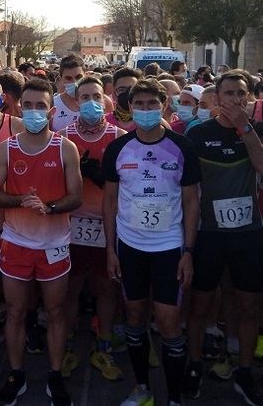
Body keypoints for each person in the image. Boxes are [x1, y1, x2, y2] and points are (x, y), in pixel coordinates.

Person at [102, 78, 200, 406]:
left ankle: (173, 398)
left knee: (169, 323)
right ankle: (142, 388)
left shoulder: (182, 147)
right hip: (130, 247)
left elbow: (191, 203)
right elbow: (110, 202)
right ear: (130, 108)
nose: (145, 110)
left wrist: (188, 251)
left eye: (152, 104)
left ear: (164, 106)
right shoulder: (118, 148)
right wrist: (110, 250)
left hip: (169, 248)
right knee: (134, 317)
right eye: (139, 105)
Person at [0, 78, 82, 406]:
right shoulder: (7, 149)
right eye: (26, 106)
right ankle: (16, 374)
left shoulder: (64, 147)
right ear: (17, 108)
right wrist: (20, 201)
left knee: (55, 312)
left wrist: (50, 207)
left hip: (54, 244)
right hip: (16, 242)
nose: (33, 112)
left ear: (51, 111)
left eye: (40, 106)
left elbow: (76, 196)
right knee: (15, 312)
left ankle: (55, 374)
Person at [184, 69, 263, 406]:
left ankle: (244, 370)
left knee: (249, 306)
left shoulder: (255, 131)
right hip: (209, 234)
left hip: (248, 234)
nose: (233, 100)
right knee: (200, 304)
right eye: (227, 94)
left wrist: (245, 128)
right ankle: (193, 364)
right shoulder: (198, 133)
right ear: (216, 100)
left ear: (249, 98)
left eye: (239, 94)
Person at [58, 76, 126, 381]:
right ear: (76, 100)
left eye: (96, 97)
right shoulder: (62, 136)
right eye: (84, 97)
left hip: (107, 227)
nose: (91, 103)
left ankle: (104, 346)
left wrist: (103, 177)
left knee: (106, 291)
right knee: (69, 291)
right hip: (70, 226)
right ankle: (68, 345)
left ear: (106, 98)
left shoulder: (119, 137)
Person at [51, 55, 85, 131]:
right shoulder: (52, 104)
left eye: (78, 77)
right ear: (61, 79)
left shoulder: (100, 102)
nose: (74, 82)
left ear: (85, 75)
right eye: (68, 78)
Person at [106, 67, 142, 131]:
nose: (128, 93)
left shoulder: (150, 121)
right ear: (114, 94)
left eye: (132, 89)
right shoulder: (104, 122)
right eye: (122, 89)